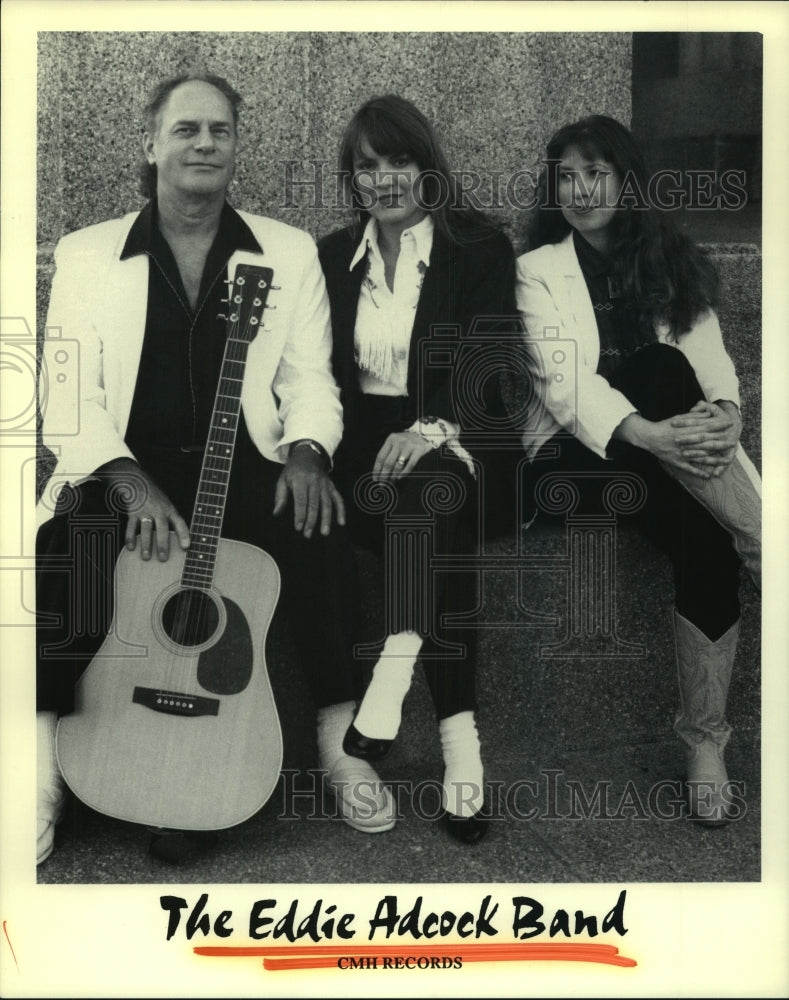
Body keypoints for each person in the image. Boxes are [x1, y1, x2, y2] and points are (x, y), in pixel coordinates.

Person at [35, 73, 397, 866]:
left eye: (219, 131)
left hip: (243, 461)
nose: (203, 144)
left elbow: (308, 378)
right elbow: (64, 392)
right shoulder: (88, 255)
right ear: (150, 143)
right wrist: (125, 479)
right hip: (124, 466)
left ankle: (340, 739)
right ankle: (41, 761)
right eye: (186, 129)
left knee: (317, 526)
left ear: (237, 146)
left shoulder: (286, 250)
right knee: (77, 542)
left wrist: (307, 451)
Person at [515, 114, 761, 826]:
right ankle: (767, 546)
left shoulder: (667, 261)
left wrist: (727, 412)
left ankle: (705, 744)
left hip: (668, 457)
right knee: (655, 369)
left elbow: (708, 360)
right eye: (567, 175)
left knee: (706, 539)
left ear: (626, 181)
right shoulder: (533, 272)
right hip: (570, 460)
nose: (581, 188)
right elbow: (563, 385)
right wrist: (650, 432)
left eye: (596, 173)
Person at [317, 94, 518, 844]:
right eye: (366, 166)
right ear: (351, 179)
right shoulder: (330, 257)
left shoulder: (477, 247)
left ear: (425, 164)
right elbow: (313, 372)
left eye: (398, 160)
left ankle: (396, 672)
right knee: (423, 518)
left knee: (432, 492)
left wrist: (428, 427)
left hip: (464, 435)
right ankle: (460, 752)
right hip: (361, 448)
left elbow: (483, 360)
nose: (384, 178)